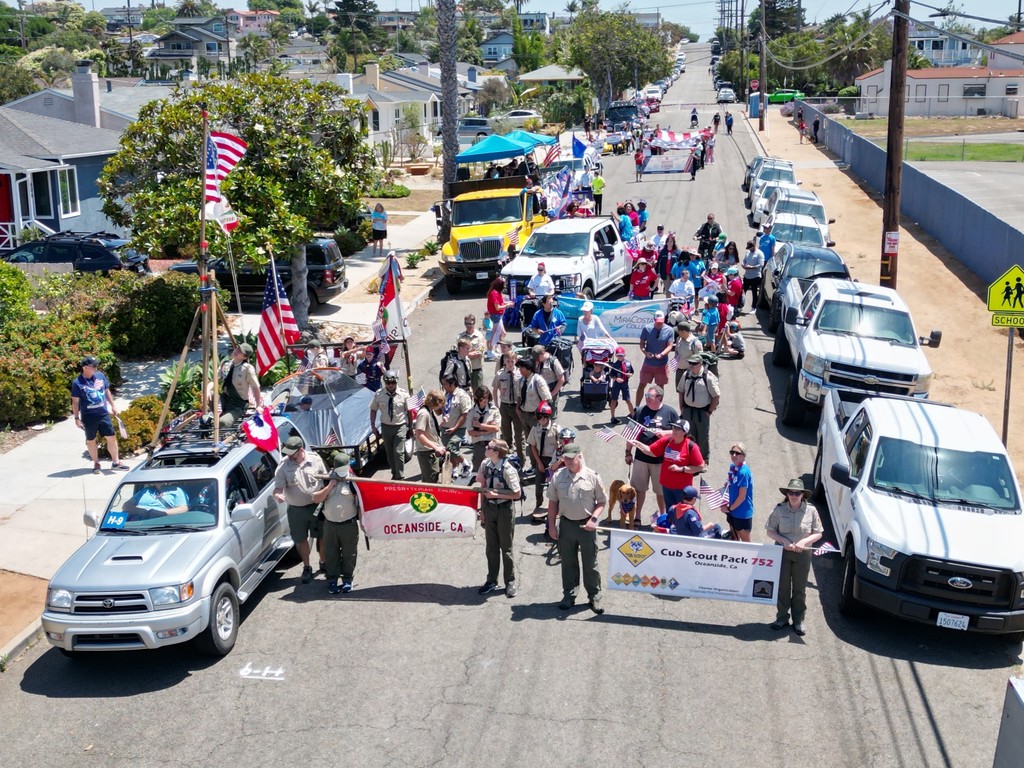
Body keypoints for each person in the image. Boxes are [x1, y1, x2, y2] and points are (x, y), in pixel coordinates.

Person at [546, 443, 607, 614]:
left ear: (579, 456)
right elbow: (552, 503)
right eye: (565, 458)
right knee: (568, 563)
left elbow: (602, 501)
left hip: (586, 526)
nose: (568, 461)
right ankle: (569, 595)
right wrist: (551, 526)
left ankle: (594, 597)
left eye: (571, 458)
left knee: (590, 564)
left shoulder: (592, 476)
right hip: (566, 525)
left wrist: (594, 519)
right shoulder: (558, 477)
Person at [766, 479, 824, 636]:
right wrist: (783, 541)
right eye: (790, 492)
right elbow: (770, 531)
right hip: (782, 553)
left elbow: (818, 533)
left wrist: (804, 542)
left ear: (802, 495)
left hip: (802, 555)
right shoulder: (779, 510)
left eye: (797, 493)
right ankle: (782, 618)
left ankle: (798, 620)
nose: (793, 495)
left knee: (799, 588)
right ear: (787, 494)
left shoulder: (811, 511)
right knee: (783, 587)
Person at [273, 435, 327, 583]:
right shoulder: (283, 467)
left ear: (301, 450)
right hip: (297, 510)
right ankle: (307, 567)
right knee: (300, 539)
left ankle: (323, 561)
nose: (289, 456)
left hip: (317, 506)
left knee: (322, 536)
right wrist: (278, 495)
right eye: (288, 453)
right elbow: (277, 488)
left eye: (292, 453)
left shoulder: (315, 459)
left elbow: (325, 479)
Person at [476, 439, 523, 598]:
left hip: (504, 510)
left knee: (506, 548)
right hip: (489, 509)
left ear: (496, 452)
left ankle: (510, 581)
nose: (486, 448)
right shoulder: (485, 464)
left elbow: (517, 494)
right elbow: (482, 487)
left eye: (489, 447)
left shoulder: (508, 470)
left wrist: (496, 494)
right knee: (491, 548)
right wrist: (482, 510)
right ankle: (491, 581)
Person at [625, 384, 677, 525]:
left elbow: (681, 432)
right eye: (646, 395)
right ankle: (637, 516)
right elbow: (630, 433)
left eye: (650, 396)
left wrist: (665, 433)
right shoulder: (639, 411)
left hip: (661, 460)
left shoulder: (670, 412)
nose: (646, 398)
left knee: (661, 491)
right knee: (638, 489)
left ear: (659, 397)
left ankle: (663, 516)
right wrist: (628, 452)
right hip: (641, 458)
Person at [628, 418, 705, 510]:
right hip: (666, 485)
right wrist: (637, 443)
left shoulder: (691, 446)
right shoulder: (667, 440)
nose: (674, 430)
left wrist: (681, 469)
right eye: (674, 427)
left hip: (682, 488)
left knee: (681, 512)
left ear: (685, 432)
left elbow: (700, 466)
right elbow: (651, 451)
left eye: (678, 429)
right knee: (670, 511)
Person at [311, 452, 361, 594]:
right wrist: (329, 487)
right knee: (331, 553)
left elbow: (360, 504)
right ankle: (332, 580)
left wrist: (363, 522)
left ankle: (347, 579)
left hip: (348, 525)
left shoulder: (353, 481)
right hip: (330, 525)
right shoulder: (326, 480)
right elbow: (316, 499)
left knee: (349, 554)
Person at [72, 356, 129, 474]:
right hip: (88, 417)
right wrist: (76, 418)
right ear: (85, 368)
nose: (96, 368)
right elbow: (75, 402)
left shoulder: (100, 376)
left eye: (96, 365)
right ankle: (96, 463)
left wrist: (113, 405)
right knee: (91, 440)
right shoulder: (77, 383)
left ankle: (116, 462)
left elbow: (107, 391)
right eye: (93, 366)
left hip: (103, 414)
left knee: (111, 437)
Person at [677, 354, 719, 460]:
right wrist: (681, 407)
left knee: (703, 437)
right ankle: (690, 457)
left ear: (700, 364)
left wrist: (709, 411)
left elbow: (716, 396)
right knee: (689, 435)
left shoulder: (708, 377)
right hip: (688, 410)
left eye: (694, 364)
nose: (691, 365)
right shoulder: (686, 375)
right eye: (690, 363)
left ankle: (704, 459)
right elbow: (681, 391)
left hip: (702, 413)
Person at [370, 370, 410, 480]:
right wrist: (373, 426)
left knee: (398, 452)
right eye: (388, 383)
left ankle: (400, 476)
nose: (391, 385)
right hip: (386, 426)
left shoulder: (403, 394)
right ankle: (394, 473)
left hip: (400, 426)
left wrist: (410, 427)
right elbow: (373, 409)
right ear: (384, 382)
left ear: (396, 382)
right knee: (390, 453)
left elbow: (410, 411)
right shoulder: (379, 394)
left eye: (393, 383)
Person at [212, 343, 262, 428]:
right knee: (210, 396)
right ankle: (213, 415)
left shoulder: (247, 369)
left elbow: (255, 387)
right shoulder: (225, 365)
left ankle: (222, 418)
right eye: (237, 349)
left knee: (223, 422)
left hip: (237, 404)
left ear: (244, 357)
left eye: (240, 351)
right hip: (224, 399)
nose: (236, 351)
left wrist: (258, 405)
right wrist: (207, 390)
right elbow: (214, 380)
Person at [634, 310, 675, 408]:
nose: (659, 323)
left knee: (660, 388)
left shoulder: (669, 330)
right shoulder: (647, 328)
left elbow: (670, 346)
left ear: (664, 320)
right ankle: (637, 407)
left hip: (662, 364)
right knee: (641, 385)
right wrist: (645, 353)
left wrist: (662, 354)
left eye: (661, 321)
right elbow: (642, 344)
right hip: (648, 363)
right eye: (657, 321)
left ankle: (657, 406)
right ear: (654, 320)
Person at [492, 350, 525, 465]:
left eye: (512, 361)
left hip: (517, 407)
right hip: (505, 406)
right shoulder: (500, 374)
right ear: (504, 362)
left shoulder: (520, 374)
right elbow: (495, 389)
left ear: (516, 361)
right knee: (506, 435)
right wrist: (496, 404)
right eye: (508, 361)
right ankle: (506, 460)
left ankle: (521, 461)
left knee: (519, 436)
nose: (510, 364)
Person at [527, 402, 560, 514]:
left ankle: (556, 508)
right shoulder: (535, 429)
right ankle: (539, 505)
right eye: (539, 417)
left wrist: (556, 462)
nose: (542, 420)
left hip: (553, 460)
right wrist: (539, 462)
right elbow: (532, 446)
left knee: (555, 486)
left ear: (548, 417)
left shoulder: (556, 429)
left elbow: (561, 445)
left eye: (545, 417)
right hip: (541, 459)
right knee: (539, 485)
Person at [515, 357, 551, 452]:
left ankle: (538, 461)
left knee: (538, 443)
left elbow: (546, 399)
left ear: (528, 368)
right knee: (530, 443)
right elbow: (519, 396)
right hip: (524, 415)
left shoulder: (537, 380)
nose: (519, 369)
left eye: (522, 367)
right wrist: (518, 408)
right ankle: (533, 461)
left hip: (535, 417)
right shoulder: (521, 380)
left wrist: (539, 415)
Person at [723, 442, 754, 542]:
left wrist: (730, 508)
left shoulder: (743, 473)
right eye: (732, 452)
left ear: (743, 455)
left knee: (745, 543)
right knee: (734, 539)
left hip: (742, 513)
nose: (734, 455)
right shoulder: (733, 467)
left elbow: (742, 497)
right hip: (733, 510)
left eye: (737, 453)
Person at [413, 390, 447, 483]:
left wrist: (441, 424)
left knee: (431, 479)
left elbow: (429, 431)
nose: (441, 407)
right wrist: (436, 448)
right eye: (441, 404)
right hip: (426, 452)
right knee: (431, 480)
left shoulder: (430, 412)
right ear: (436, 403)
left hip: (431, 450)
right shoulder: (424, 414)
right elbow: (419, 434)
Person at [467, 386, 500, 473]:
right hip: (479, 444)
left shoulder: (494, 410)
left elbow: (496, 428)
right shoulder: (472, 412)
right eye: (483, 398)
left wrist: (479, 425)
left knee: (493, 470)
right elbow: (470, 432)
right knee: (479, 471)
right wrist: (487, 430)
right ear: (478, 399)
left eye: (487, 398)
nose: (485, 400)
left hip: (492, 443)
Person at [123, 481, 190, 517]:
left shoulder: (177, 491)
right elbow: (126, 505)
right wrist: (139, 511)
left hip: (160, 522)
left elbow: (183, 509)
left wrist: (162, 513)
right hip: (135, 524)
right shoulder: (145, 491)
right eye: (159, 480)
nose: (163, 481)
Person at [533, 344, 565, 418]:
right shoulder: (538, 362)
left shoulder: (553, 362)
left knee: (551, 414)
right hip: (540, 393)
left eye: (537, 358)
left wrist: (551, 395)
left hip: (551, 392)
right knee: (540, 415)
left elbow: (561, 379)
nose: (536, 360)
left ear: (543, 353)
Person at [440, 374, 472, 442]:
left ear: (452, 384)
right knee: (445, 447)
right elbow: (439, 412)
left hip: (458, 429)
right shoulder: (446, 395)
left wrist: (455, 428)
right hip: (445, 428)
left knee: (452, 447)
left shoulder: (462, 396)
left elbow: (465, 414)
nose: (443, 386)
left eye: (444, 384)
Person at [458, 314, 486, 392]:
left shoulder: (480, 336)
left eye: (471, 324)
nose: (469, 326)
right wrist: (471, 352)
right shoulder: (460, 337)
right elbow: (457, 354)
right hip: (463, 370)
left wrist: (464, 353)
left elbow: (479, 353)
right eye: (467, 324)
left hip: (476, 370)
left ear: (474, 323)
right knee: (464, 393)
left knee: (478, 394)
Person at [607, 346, 635, 424]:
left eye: (621, 355)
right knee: (613, 400)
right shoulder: (614, 365)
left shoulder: (628, 363)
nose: (620, 357)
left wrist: (630, 374)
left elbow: (632, 372)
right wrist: (616, 379)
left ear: (624, 355)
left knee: (628, 400)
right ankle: (612, 417)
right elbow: (611, 375)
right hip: (617, 384)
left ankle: (634, 416)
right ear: (616, 355)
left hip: (625, 384)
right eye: (618, 355)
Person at [485, 276, 511, 361]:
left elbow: (501, 303)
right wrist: (507, 306)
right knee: (495, 333)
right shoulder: (494, 293)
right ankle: (490, 351)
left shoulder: (497, 292)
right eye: (504, 284)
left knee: (502, 333)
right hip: (496, 315)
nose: (504, 286)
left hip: (499, 316)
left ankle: (496, 349)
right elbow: (497, 307)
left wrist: (508, 303)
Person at [672, 320, 703, 389]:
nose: (677, 332)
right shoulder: (679, 339)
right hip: (679, 370)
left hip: (690, 372)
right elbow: (677, 351)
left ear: (683, 331)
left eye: (678, 331)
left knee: (688, 391)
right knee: (680, 390)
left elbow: (699, 359)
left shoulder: (695, 343)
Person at [741, 239, 764, 310]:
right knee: (743, 291)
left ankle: (754, 307)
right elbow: (744, 260)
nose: (749, 249)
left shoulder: (759, 253)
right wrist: (743, 265)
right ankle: (740, 305)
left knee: (754, 292)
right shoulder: (748, 252)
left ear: (753, 246)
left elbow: (761, 264)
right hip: (747, 275)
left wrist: (751, 267)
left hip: (755, 276)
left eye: (750, 248)